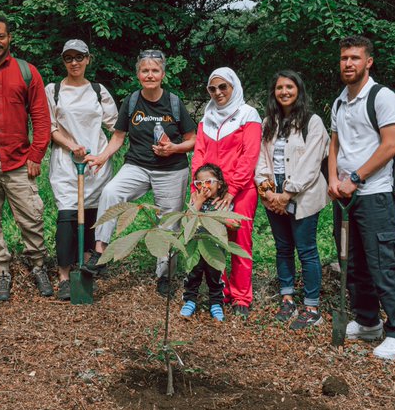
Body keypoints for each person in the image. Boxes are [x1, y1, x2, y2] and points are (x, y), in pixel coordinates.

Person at [86, 49, 197, 295]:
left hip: (171, 170)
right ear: (138, 75)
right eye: (145, 71)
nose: (150, 75)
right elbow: (118, 136)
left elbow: (193, 139)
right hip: (137, 165)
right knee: (111, 192)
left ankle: (165, 275)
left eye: (154, 70)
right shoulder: (133, 101)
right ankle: (100, 252)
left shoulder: (174, 103)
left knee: (169, 224)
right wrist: (102, 158)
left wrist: (174, 148)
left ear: (163, 74)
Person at [327, 35, 395, 360]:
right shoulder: (339, 101)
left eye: (355, 58)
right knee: (352, 261)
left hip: (374, 195)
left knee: (383, 264)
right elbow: (334, 144)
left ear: (368, 62)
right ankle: (367, 321)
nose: (348, 63)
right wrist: (334, 179)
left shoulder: (382, 97)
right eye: (344, 58)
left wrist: (356, 178)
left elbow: (390, 146)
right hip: (344, 197)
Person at [0, 17, 53, 301]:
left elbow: (41, 116)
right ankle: (1, 269)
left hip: (19, 159)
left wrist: (36, 153)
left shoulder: (27, 72)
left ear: (9, 38)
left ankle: (38, 263)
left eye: (1, 36)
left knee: (32, 215)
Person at [45, 39, 118, 301]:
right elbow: (50, 127)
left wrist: (102, 156)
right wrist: (72, 145)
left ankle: (87, 270)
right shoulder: (53, 90)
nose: (74, 62)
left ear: (88, 59)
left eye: (80, 57)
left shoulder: (99, 91)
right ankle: (64, 276)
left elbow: (116, 128)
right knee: (67, 215)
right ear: (63, 61)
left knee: (92, 216)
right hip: (66, 162)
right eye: (69, 58)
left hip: (96, 164)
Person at [256, 70, 328, 330]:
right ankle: (287, 299)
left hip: (303, 196)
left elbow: (311, 163)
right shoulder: (268, 123)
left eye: (289, 87)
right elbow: (261, 159)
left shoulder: (312, 122)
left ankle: (311, 307)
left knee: (306, 250)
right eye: (279, 88)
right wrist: (268, 192)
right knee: (283, 247)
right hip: (273, 196)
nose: (284, 92)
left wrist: (288, 193)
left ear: (298, 90)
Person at [189, 67, 261, 317]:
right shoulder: (206, 117)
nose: (218, 93)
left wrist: (232, 190)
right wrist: (198, 189)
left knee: (238, 240)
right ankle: (218, 292)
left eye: (223, 87)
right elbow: (198, 155)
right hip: (209, 191)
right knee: (211, 239)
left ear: (234, 87)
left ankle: (241, 295)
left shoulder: (248, 115)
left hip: (240, 190)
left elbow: (249, 155)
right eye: (212, 88)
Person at [179, 163, 232, 323]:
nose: (204, 187)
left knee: (215, 276)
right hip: (195, 245)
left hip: (215, 247)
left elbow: (229, 220)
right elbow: (188, 218)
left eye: (208, 182)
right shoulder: (196, 201)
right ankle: (190, 300)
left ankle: (216, 303)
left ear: (219, 183)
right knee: (193, 274)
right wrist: (199, 201)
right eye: (199, 184)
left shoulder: (222, 203)